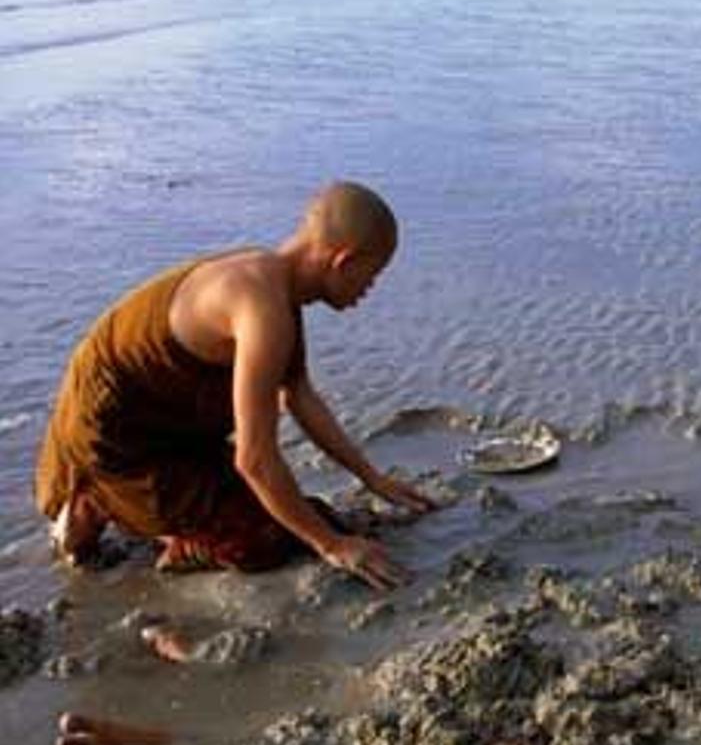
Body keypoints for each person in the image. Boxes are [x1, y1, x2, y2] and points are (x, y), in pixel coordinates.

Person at [35, 181, 434, 592]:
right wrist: (332, 546)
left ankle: (167, 515)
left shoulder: (276, 280)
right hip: (116, 440)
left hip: (173, 427)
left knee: (314, 516)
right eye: (372, 277)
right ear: (343, 261)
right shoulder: (261, 307)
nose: (369, 291)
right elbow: (255, 459)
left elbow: (299, 395)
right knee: (268, 541)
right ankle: (97, 501)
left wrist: (371, 478)